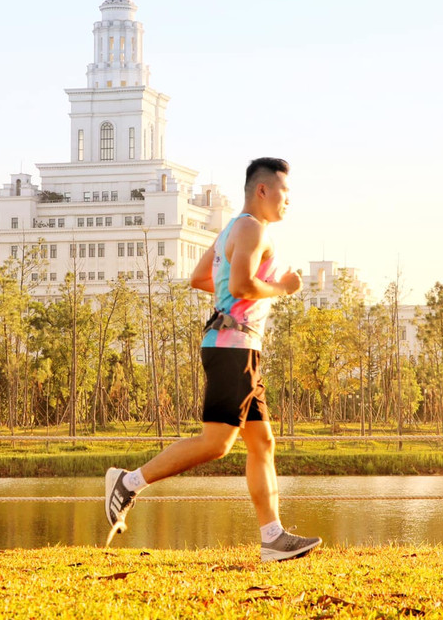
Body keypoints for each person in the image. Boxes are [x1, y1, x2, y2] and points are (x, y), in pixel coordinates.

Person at [104, 157, 322, 562]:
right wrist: (283, 288)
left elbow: (201, 277)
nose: (288, 200)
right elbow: (241, 283)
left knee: (262, 443)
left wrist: (231, 301)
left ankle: (272, 537)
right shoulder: (253, 229)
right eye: (284, 191)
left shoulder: (232, 229)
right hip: (232, 348)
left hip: (237, 345)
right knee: (217, 443)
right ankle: (128, 482)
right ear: (262, 190)